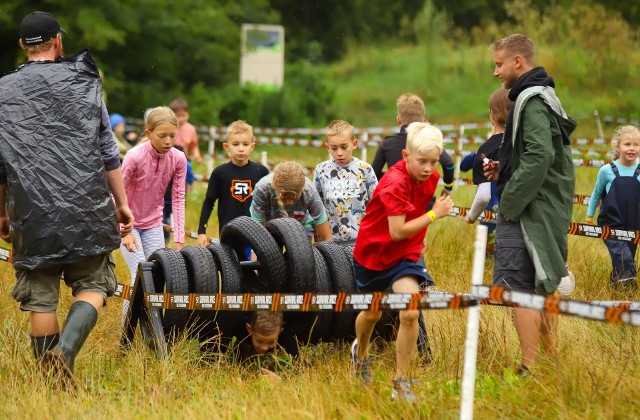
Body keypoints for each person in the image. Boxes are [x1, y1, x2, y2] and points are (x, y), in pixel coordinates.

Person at [0, 11, 134, 387]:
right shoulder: (85, 82)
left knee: (40, 298)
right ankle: (65, 352)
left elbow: (0, 163)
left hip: (30, 210)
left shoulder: (3, 91)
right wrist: (121, 203)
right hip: (87, 206)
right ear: (58, 42)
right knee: (93, 283)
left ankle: (52, 386)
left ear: (22, 46)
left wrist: (2, 214)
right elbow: (108, 149)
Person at [484, 34, 577, 377]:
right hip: (538, 205)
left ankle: (529, 367)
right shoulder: (539, 94)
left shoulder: (531, 99)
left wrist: (510, 200)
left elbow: (540, 156)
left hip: (527, 208)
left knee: (519, 288)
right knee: (543, 281)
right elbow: (533, 155)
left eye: (499, 64)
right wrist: (502, 170)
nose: (496, 72)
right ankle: (547, 364)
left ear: (518, 62)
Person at [351, 122, 453, 401]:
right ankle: (360, 355)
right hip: (373, 254)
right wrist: (435, 215)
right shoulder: (394, 183)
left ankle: (401, 380)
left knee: (409, 311)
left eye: (434, 162)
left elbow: (416, 214)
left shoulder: (430, 178)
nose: (429, 169)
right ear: (406, 157)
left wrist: (421, 239)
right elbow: (396, 231)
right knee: (372, 313)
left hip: (405, 256)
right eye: (422, 162)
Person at [119, 106, 187, 319]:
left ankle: (150, 329)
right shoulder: (134, 156)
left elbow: (178, 198)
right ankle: (126, 333)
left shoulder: (178, 158)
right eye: (162, 136)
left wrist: (178, 238)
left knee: (157, 276)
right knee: (139, 275)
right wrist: (125, 231)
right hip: (129, 225)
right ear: (148, 134)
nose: (168, 141)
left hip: (153, 224)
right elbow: (118, 196)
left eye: (172, 136)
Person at [197, 120, 269, 246]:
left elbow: (270, 204)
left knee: (254, 265)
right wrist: (201, 231)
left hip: (256, 234)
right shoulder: (219, 173)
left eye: (245, 144)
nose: (241, 149)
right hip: (228, 233)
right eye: (235, 144)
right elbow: (209, 202)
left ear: (252, 146)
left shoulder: (261, 172)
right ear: (226, 147)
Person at [585, 125, 640, 288]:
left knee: (626, 255)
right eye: (627, 144)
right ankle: (631, 287)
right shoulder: (606, 170)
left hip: (634, 222)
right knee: (623, 256)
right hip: (610, 222)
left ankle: (615, 289)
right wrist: (589, 214)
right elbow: (596, 194)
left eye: (636, 144)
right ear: (617, 146)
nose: (632, 148)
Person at [461, 88, 513, 255]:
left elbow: (484, 195)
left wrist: (471, 216)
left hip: (497, 214)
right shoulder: (525, 141)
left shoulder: (485, 151)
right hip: (529, 216)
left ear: (491, 114)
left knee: (493, 255)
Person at [371, 92, 455, 194]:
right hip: (425, 201)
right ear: (423, 120)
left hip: (398, 199)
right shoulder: (429, 141)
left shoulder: (387, 143)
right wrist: (448, 188)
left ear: (398, 119)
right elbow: (449, 164)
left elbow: (373, 174)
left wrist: (392, 176)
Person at [313, 120, 378, 243]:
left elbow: (377, 205)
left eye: (344, 147)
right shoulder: (321, 171)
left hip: (362, 241)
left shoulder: (365, 170)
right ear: (327, 147)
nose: (339, 153)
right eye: (334, 148)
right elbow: (316, 206)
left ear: (354, 144)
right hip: (331, 243)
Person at [250, 161, 333, 242]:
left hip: (301, 224)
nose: (289, 202)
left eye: (295, 197)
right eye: (284, 197)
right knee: (269, 253)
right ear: (274, 187)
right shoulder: (262, 190)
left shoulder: (309, 191)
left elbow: (326, 236)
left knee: (303, 254)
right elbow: (258, 235)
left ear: (302, 189)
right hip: (271, 225)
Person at [162, 145, 194, 244]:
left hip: (164, 197)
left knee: (164, 220)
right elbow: (190, 177)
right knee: (175, 219)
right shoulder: (185, 162)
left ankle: (166, 240)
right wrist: (191, 183)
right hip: (176, 197)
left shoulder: (164, 160)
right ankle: (173, 239)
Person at [170, 98, 203, 163]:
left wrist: (197, 156)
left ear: (188, 114)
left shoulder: (191, 129)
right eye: (177, 116)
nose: (180, 119)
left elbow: (194, 146)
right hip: (170, 157)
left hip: (184, 158)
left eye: (183, 115)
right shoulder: (169, 127)